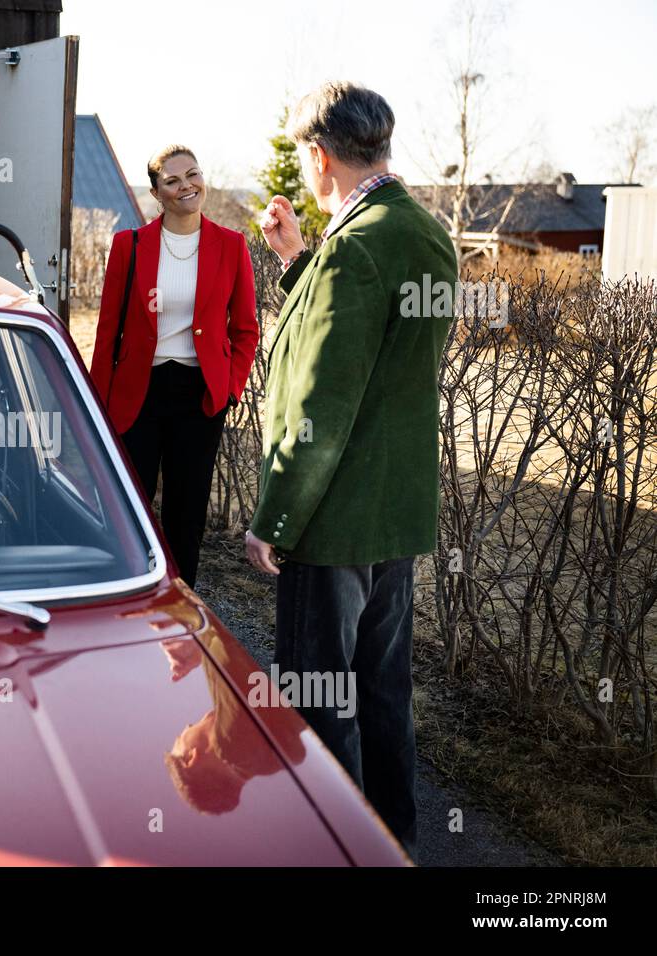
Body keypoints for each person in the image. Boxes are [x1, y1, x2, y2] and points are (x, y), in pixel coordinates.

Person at [252, 81, 459, 861]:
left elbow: (323, 403)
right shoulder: (422, 233)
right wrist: (298, 261)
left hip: (332, 521)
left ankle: (330, 849)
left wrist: (274, 520)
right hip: (395, 515)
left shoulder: (356, 247)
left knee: (317, 699)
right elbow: (382, 362)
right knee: (381, 693)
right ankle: (392, 842)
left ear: (318, 156)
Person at [90, 145, 258, 589]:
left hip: (199, 395)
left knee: (188, 510)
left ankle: (180, 599)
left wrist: (230, 389)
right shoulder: (130, 245)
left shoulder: (231, 245)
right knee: (132, 505)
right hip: (137, 391)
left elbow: (246, 331)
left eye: (193, 175)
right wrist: (96, 403)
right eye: (173, 180)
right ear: (156, 193)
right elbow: (108, 334)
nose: (186, 186)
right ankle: (128, 590)